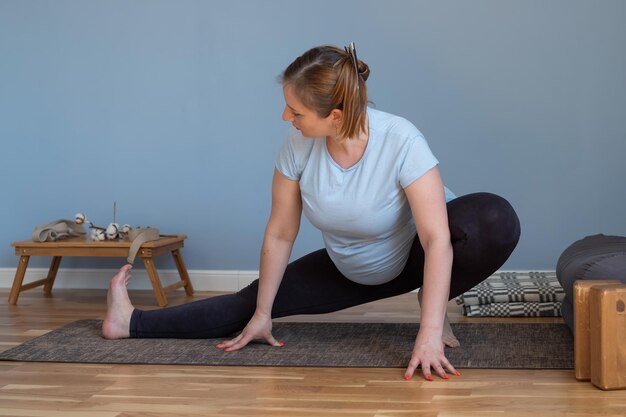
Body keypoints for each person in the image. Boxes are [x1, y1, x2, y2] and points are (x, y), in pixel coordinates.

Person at [103, 43, 521, 381]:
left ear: (335, 116)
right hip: (349, 267)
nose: (286, 117)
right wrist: (263, 313)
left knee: (494, 218)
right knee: (247, 309)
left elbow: (435, 238)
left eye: (296, 111)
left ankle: (430, 305)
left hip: (415, 255)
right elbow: (281, 233)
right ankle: (129, 321)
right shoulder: (296, 147)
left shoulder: (401, 140)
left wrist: (431, 331)